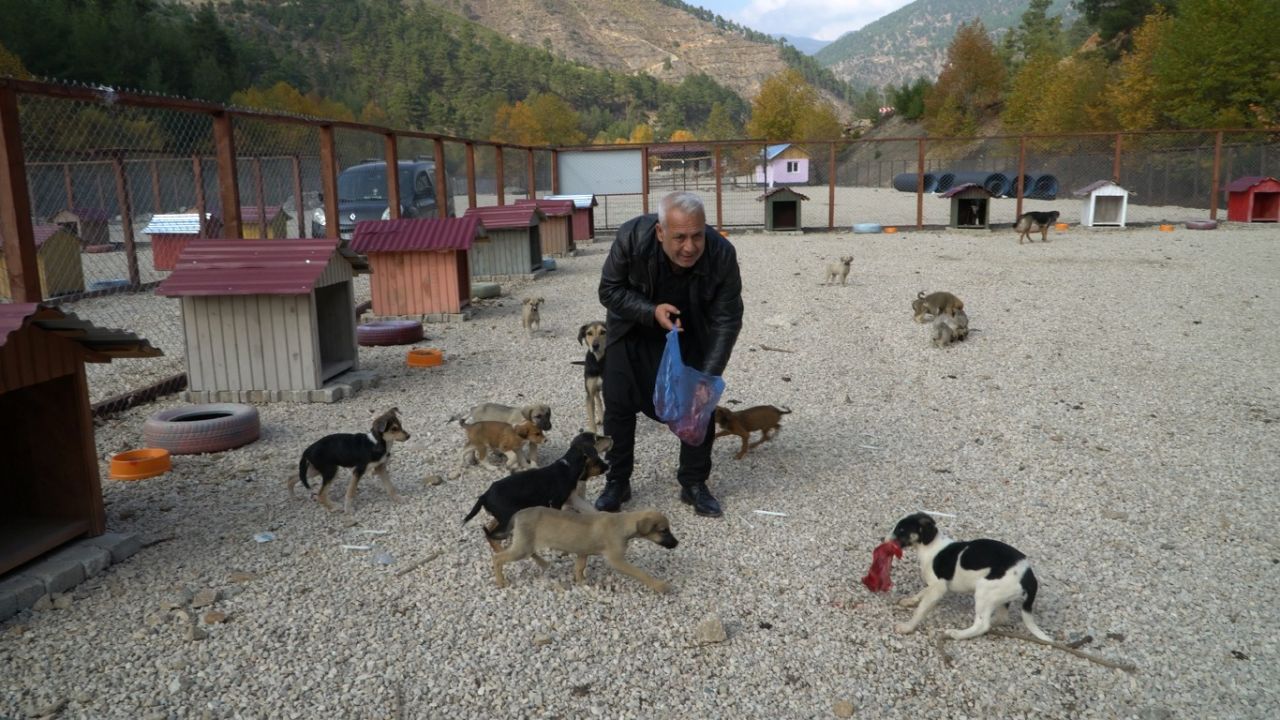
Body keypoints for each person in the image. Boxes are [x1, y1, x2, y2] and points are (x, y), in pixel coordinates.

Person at [594, 191, 743, 518]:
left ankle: (693, 483)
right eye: (679, 237)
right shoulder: (632, 237)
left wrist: (708, 375)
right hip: (632, 328)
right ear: (661, 232)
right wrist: (650, 311)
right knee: (618, 403)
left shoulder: (721, 254)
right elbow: (609, 290)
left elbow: (727, 318)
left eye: (697, 236)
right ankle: (617, 480)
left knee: (697, 404)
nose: (689, 247)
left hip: (690, 332)